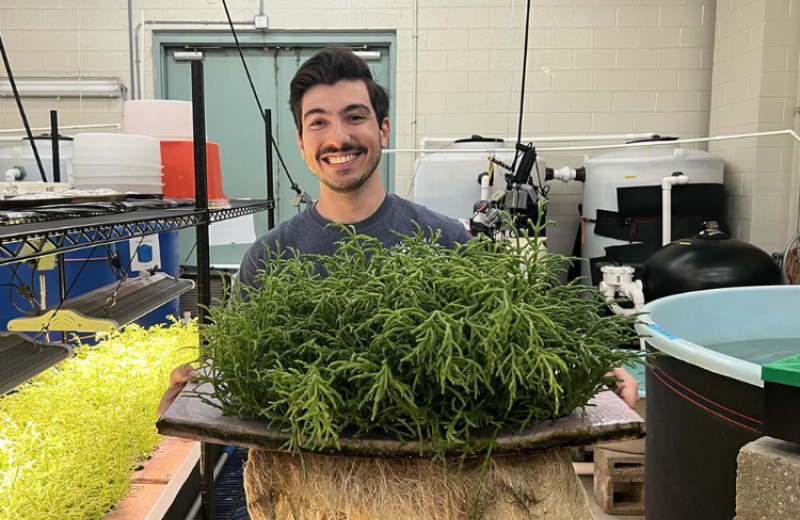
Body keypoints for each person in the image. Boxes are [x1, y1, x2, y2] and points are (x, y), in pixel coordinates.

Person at [158, 46, 638, 417]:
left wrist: (584, 379)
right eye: (318, 122)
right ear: (302, 143)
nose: (338, 138)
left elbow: (506, 363)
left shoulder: (448, 241)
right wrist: (193, 399)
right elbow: (242, 383)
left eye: (355, 117)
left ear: (383, 130)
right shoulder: (268, 257)